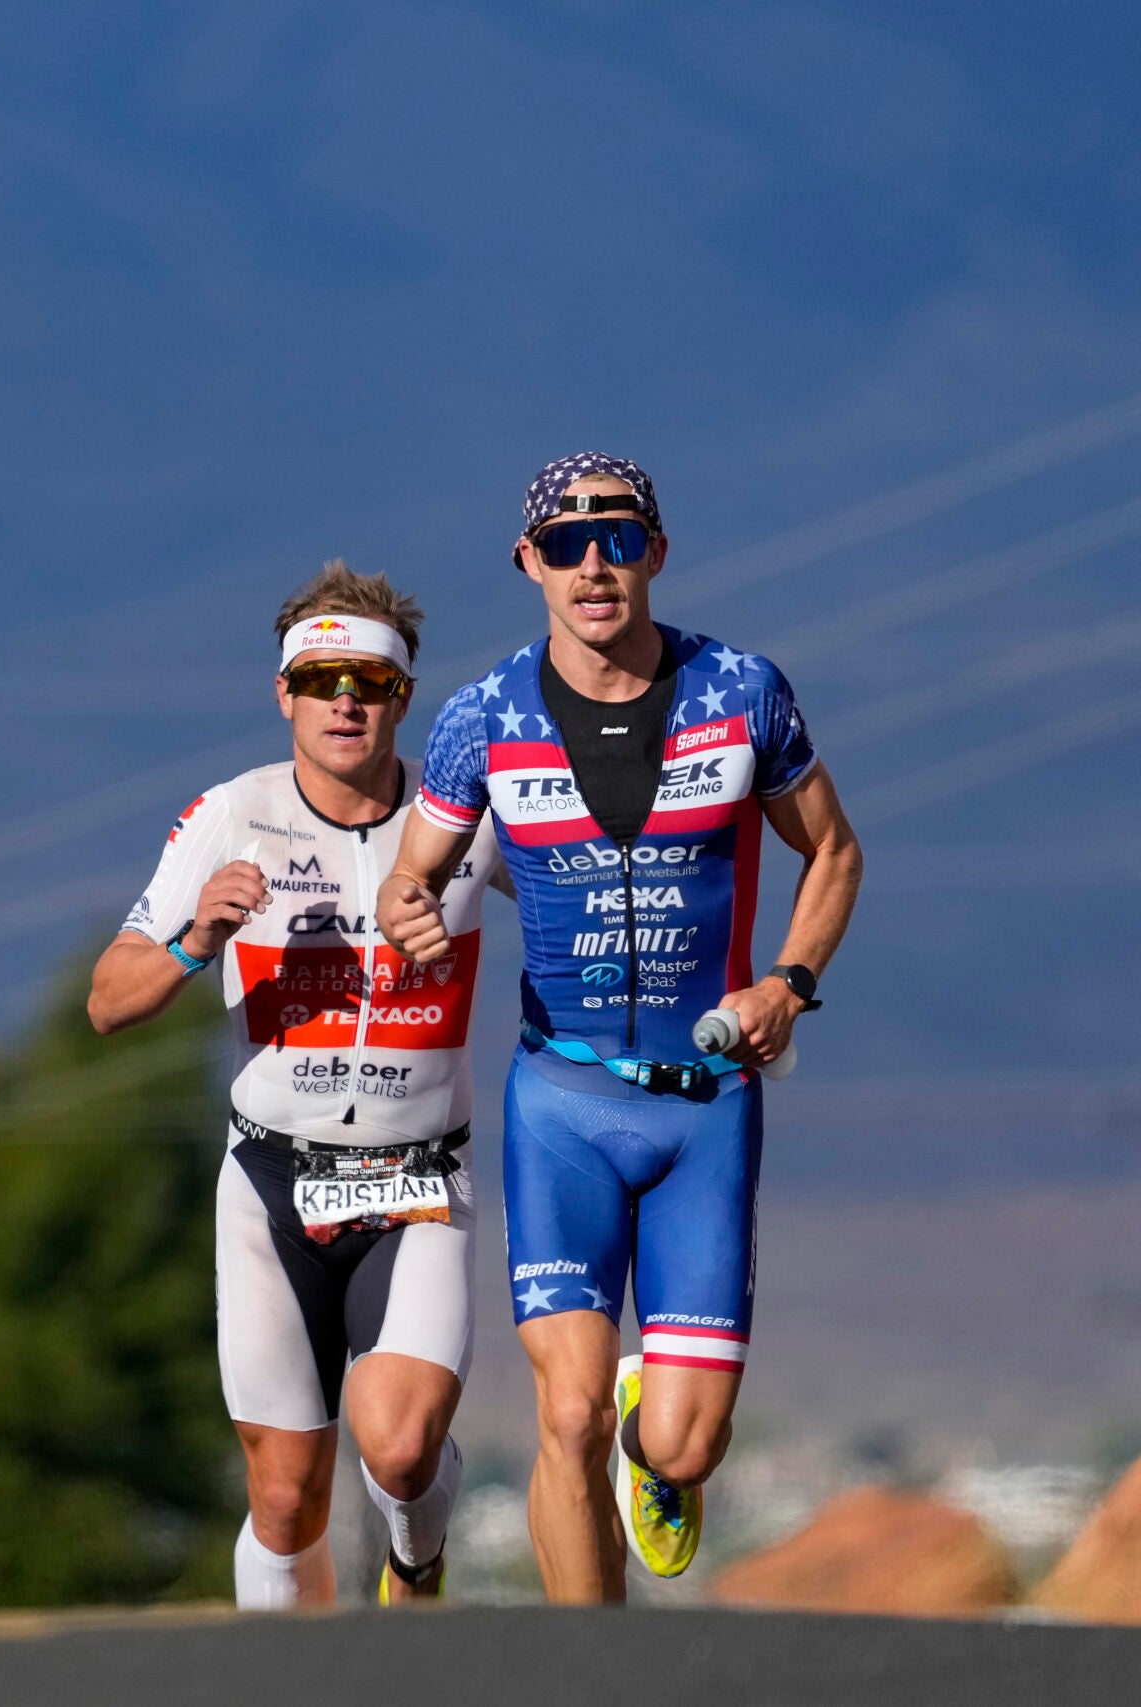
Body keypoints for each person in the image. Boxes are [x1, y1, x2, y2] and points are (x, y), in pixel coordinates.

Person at [375, 452, 863, 1602]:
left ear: (654, 550)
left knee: (682, 1443)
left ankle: (665, 1445)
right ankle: (586, 1670)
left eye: (617, 538)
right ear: (527, 564)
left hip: (704, 1109)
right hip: (562, 1105)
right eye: (565, 545)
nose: (593, 565)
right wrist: (411, 919)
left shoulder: (739, 690)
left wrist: (785, 986)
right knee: (568, 1412)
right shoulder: (481, 717)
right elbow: (411, 880)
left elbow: (832, 849)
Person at [89, 561, 500, 1609]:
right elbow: (108, 998)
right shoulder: (233, 814)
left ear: (402, 698)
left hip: (416, 1183)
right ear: (284, 695)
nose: (344, 701)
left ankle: (417, 1562)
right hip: (270, 1187)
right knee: (283, 1500)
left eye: (367, 682)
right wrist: (194, 942)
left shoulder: (471, 814)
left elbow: (595, 886)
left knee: (402, 1453)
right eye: (320, 680)